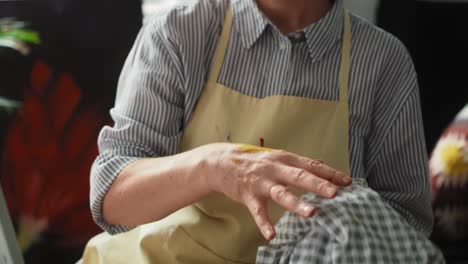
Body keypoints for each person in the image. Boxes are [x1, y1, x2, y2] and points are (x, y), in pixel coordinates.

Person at [82, 0, 433, 263]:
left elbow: (404, 229)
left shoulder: (382, 61)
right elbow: (112, 197)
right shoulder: (178, 32)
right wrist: (215, 165)